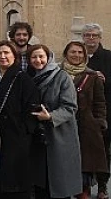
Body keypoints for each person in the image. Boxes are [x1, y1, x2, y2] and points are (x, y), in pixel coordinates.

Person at [0, 41, 38, 199]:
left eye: (7, 53)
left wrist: (25, 129)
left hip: (15, 137)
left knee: (14, 180)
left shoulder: (22, 78)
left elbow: (32, 107)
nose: (3, 56)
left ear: (15, 56)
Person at [27, 44, 82, 199]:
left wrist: (51, 116)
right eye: (34, 57)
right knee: (40, 183)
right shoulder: (30, 78)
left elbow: (70, 107)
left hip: (59, 136)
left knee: (59, 184)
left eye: (41, 56)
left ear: (48, 57)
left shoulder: (61, 77)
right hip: (38, 138)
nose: (38, 60)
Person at [61, 41, 108, 199]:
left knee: (84, 162)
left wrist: (99, 122)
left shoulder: (93, 76)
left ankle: (84, 191)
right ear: (66, 54)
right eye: (73, 52)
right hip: (63, 125)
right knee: (65, 161)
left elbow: (100, 103)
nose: (77, 55)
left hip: (86, 126)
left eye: (80, 52)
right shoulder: (58, 73)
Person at [84, 23, 111, 199]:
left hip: (104, 110)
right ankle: (84, 186)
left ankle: (102, 186)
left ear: (100, 38)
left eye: (94, 35)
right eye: (88, 35)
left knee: (102, 149)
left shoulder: (108, 57)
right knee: (84, 149)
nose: (91, 38)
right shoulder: (80, 55)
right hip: (83, 111)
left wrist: (105, 79)